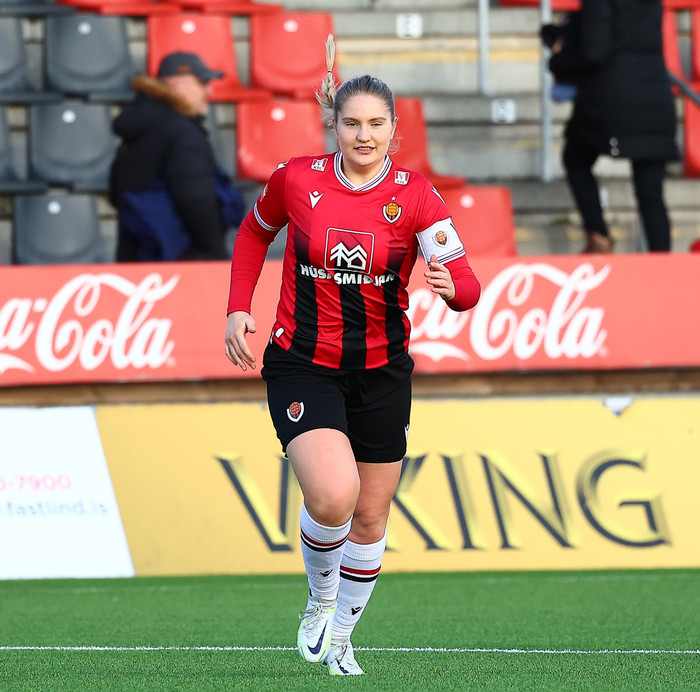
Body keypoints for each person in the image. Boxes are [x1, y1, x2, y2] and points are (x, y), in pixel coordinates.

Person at [224, 35, 480, 676]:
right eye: (352, 123)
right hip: (303, 362)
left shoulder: (417, 196)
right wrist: (237, 306)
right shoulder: (296, 179)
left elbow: (467, 284)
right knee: (334, 497)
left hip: (382, 369)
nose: (364, 135)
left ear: (394, 130)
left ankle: (342, 635)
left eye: (376, 124)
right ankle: (319, 600)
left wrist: (452, 288)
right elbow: (254, 233)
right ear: (333, 125)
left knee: (369, 517)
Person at [547, 0, 679, 253]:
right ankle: (663, 262)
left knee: (575, 158)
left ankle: (599, 237)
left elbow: (594, 53)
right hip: (656, 96)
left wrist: (558, 59)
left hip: (614, 96)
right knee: (651, 192)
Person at [109, 52, 244, 262]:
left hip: (140, 260)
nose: (208, 90)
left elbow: (116, 193)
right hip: (184, 260)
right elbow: (196, 197)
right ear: (175, 85)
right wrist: (213, 251)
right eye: (202, 83)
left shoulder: (138, 130)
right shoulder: (182, 132)